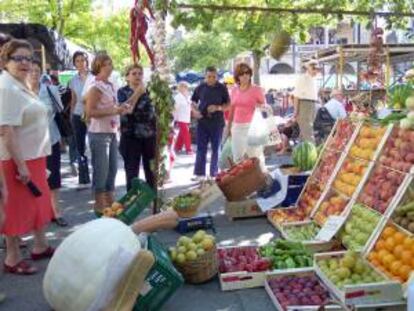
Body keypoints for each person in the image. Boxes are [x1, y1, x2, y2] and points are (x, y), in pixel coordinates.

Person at [0, 39, 55, 275]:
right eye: (18, 58)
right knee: (15, 208)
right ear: (5, 61)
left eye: (28, 58)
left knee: (36, 204)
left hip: (34, 156)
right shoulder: (6, 88)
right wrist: (21, 167)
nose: (25, 62)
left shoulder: (20, 85)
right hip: (17, 160)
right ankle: (12, 258)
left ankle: (40, 245)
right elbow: (6, 129)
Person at [85, 52, 128, 213]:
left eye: (110, 64)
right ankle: (99, 204)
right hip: (99, 133)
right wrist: (113, 110)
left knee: (112, 168)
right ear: (99, 66)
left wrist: (121, 108)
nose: (110, 67)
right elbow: (90, 112)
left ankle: (110, 201)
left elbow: (112, 107)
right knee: (101, 169)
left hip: (111, 131)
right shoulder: (95, 87)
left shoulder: (110, 85)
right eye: (106, 64)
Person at [27, 63, 68, 227]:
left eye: (37, 71)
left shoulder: (50, 89)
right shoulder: (20, 92)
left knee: (54, 176)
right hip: (29, 142)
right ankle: (34, 214)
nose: (34, 74)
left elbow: (60, 108)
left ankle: (55, 211)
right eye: (31, 70)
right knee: (33, 178)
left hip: (51, 138)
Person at [117, 64, 157, 191]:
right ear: (127, 77)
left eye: (140, 73)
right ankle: (132, 200)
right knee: (132, 171)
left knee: (151, 170)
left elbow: (156, 112)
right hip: (130, 136)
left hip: (149, 136)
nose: (137, 76)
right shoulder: (122, 92)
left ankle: (153, 200)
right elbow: (127, 109)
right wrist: (138, 93)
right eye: (133, 74)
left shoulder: (150, 91)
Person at [191, 66, 230, 180]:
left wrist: (218, 107)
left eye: (214, 77)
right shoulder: (200, 87)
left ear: (217, 76)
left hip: (217, 122)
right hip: (202, 121)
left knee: (216, 148)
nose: (211, 79)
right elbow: (193, 101)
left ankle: (214, 174)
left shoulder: (222, 88)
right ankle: (199, 174)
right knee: (201, 148)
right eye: (209, 76)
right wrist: (195, 110)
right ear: (205, 76)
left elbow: (228, 105)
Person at [226, 62, 265, 167]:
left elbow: (265, 108)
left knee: (255, 156)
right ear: (237, 76)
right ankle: (242, 181)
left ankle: (260, 179)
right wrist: (228, 128)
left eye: (247, 73)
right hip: (237, 127)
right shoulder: (234, 90)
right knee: (238, 157)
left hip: (253, 127)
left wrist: (259, 106)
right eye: (242, 73)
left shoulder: (257, 89)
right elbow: (232, 110)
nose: (245, 75)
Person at [68, 51, 93, 187]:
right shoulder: (72, 80)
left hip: (93, 114)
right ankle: (83, 178)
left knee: (94, 144)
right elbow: (73, 99)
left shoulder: (93, 78)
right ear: (74, 63)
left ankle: (99, 175)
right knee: (80, 147)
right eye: (77, 61)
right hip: (78, 115)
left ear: (87, 62)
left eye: (83, 60)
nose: (81, 63)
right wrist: (71, 115)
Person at [292, 60, 320, 143]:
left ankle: (301, 152)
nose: (316, 71)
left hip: (312, 105)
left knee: (305, 131)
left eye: (317, 69)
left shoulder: (314, 80)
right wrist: (296, 111)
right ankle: (313, 153)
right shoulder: (302, 79)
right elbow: (296, 96)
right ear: (308, 68)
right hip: (304, 104)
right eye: (313, 68)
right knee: (308, 132)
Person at [173, 81, 193, 155]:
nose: (184, 88)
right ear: (179, 88)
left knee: (182, 133)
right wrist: (174, 117)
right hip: (180, 118)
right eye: (183, 86)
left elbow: (189, 105)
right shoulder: (178, 97)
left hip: (186, 117)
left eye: (185, 87)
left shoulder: (187, 96)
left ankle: (177, 147)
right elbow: (175, 107)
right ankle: (189, 149)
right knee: (186, 134)